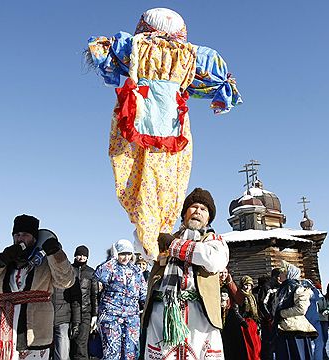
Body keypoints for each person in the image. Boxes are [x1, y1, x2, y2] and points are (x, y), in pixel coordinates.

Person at [86, 8, 242, 260]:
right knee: (171, 182)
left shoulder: (131, 45)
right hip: (173, 124)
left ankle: (150, 237)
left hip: (135, 116)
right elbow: (216, 76)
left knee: (134, 178)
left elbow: (103, 52)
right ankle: (157, 236)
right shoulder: (192, 55)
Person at [0, 214, 74, 360]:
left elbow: (67, 282)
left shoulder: (46, 262)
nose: (20, 238)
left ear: (34, 237)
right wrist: (0, 262)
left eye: (25, 234)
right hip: (0, 327)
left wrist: (56, 254)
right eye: (17, 234)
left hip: (34, 330)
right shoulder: (0, 258)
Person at [141, 187, 229, 359]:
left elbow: (212, 260)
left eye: (203, 209)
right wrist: (143, 223)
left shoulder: (214, 241)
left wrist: (174, 245)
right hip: (163, 313)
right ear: (184, 213)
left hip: (200, 316)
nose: (198, 212)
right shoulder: (166, 237)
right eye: (194, 207)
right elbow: (146, 251)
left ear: (209, 217)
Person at [94, 239, 147, 359]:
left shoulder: (136, 270)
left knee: (130, 352)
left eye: (129, 254)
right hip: (110, 315)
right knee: (111, 351)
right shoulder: (111, 267)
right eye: (122, 254)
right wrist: (112, 259)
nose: (126, 257)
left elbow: (143, 292)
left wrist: (148, 306)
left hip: (131, 316)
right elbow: (99, 275)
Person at [272, 261, 318, 360]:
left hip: (295, 329)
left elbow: (301, 309)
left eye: (282, 272)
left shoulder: (299, 288)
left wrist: (282, 313)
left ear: (289, 274)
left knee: (297, 355)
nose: (280, 275)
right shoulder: (281, 289)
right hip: (283, 328)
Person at [69, 245, 99, 360]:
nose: (81, 257)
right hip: (69, 311)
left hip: (85, 312)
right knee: (70, 343)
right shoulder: (70, 269)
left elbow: (94, 295)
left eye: (84, 255)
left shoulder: (91, 272)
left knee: (81, 344)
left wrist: (95, 315)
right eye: (79, 255)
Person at [224, 273, 262, 360]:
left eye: (249, 285)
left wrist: (258, 320)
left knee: (256, 345)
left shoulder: (253, 296)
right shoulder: (239, 295)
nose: (247, 287)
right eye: (245, 285)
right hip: (244, 324)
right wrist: (242, 321)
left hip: (253, 323)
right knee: (248, 345)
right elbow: (235, 310)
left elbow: (256, 311)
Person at [257, 268, 282, 360]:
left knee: (278, 344)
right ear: (276, 276)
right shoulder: (267, 287)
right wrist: (269, 317)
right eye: (280, 276)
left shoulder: (280, 287)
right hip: (269, 320)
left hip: (278, 319)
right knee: (268, 344)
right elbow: (262, 303)